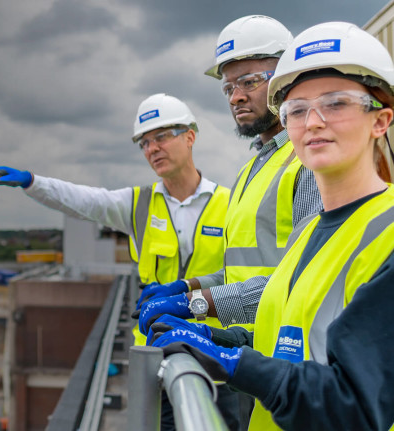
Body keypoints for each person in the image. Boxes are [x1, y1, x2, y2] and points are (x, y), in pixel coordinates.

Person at [150, 21, 394, 430]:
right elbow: (288, 338)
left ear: (380, 121)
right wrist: (220, 341)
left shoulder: (385, 236)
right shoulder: (309, 234)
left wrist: (235, 361)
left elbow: (351, 403)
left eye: (335, 103)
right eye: (297, 110)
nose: (313, 122)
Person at [0, 93, 238, 430]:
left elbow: (243, 274)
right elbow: (84, 201)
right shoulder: (138, 204)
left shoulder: (232, 204)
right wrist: (32, 182)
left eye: (161, 136)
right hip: (157, 352)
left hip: (217, 351)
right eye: (144, 143)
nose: (152, 149)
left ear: (190, 136)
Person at [137, 15, 324, 336]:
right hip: (253, 355)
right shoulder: (250, 171)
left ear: (287, 79)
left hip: (291, 354)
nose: (235, 97)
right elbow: (241, 273)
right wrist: (186, 287)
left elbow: (303, 279)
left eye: (249, 81)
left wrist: (195, 303)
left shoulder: (308, 160)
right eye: (228, 87)